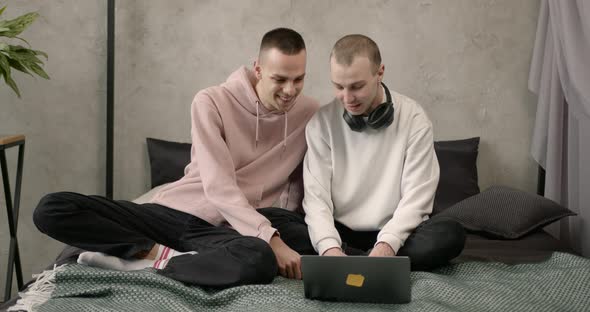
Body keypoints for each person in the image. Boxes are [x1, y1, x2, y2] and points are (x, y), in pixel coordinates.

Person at [33, 28, 319, 287]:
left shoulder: (309, 114)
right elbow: (218, 186)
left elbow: (297, 187)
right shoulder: (211, 101)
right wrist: (271, 238)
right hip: (173, 214)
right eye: (280, 79)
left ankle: (154, 262)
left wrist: (279, 231)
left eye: (299, 79)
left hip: (225, 230)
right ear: (258, 69)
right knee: (52, 209)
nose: (290, 90)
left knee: (261, 257)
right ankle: (151, 253)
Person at [302, 34, 465, 270]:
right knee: (284, 225)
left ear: (380, 73)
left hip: (396, 232)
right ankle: (352, 259)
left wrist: (386, 245)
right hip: (340, 232)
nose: (347, 99)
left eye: (357, 87)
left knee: (451, 234)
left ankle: (368, 259)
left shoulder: (414, 119)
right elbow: (316, 199)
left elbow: (417, 199)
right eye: (339, 87)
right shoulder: (321, 123)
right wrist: (329, 249)